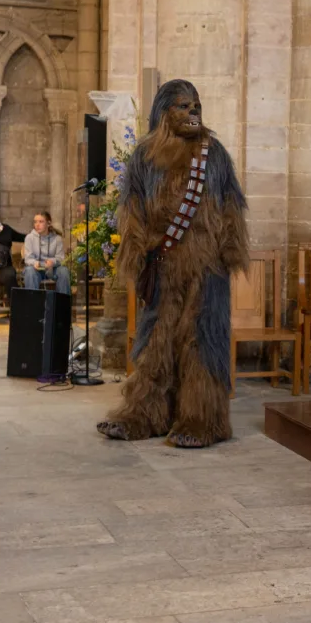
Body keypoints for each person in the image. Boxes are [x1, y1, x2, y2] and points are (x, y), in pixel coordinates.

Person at [97, 79, 249, 448]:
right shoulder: (145, 156)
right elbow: (131, 208)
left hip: (206, 268)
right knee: (155, 342)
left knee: (202, 342)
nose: (192, 111)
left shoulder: (214, 155)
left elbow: (232, 205)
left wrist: (229, 251)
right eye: (182, 106)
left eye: (195, 105)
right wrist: (135, 255)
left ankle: (201, 421)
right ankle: (143, 416)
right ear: (164, 113)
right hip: (162, 263)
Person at [0, 200, 26, 328]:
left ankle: (16, 314)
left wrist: (41, 233)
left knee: (10, 275)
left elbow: (23, 237)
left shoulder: (5, 229)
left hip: (4, 266)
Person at [22, 211, 72, 295]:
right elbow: (28, 258)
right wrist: (35, 263)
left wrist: (52, 262)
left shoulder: (57, 239)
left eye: (41, 222)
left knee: (64, 271)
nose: (37, 224)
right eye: (35, 222)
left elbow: (61, 258)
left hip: (53, 269)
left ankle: (63, 305)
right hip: (36, 269)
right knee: (29, 271)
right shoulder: (29, 238)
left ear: (48, 223)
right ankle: (32, 306)